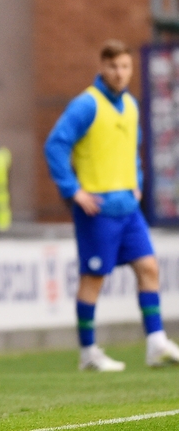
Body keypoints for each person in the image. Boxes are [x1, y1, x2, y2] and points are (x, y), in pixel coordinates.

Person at [44, 39, 179, 372]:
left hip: (128, 208)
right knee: (94, 279)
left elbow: (132, 150)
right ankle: (88, 352)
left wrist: (138, 184)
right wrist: (73, 190)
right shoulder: (86, 105)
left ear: (131, 69)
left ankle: (155, 342)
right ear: (102, 67)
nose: (119, 73)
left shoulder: (131, 105)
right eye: (113, 66)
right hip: (97, 208)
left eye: (125, 67)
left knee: (148, 268)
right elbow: (56, 145)